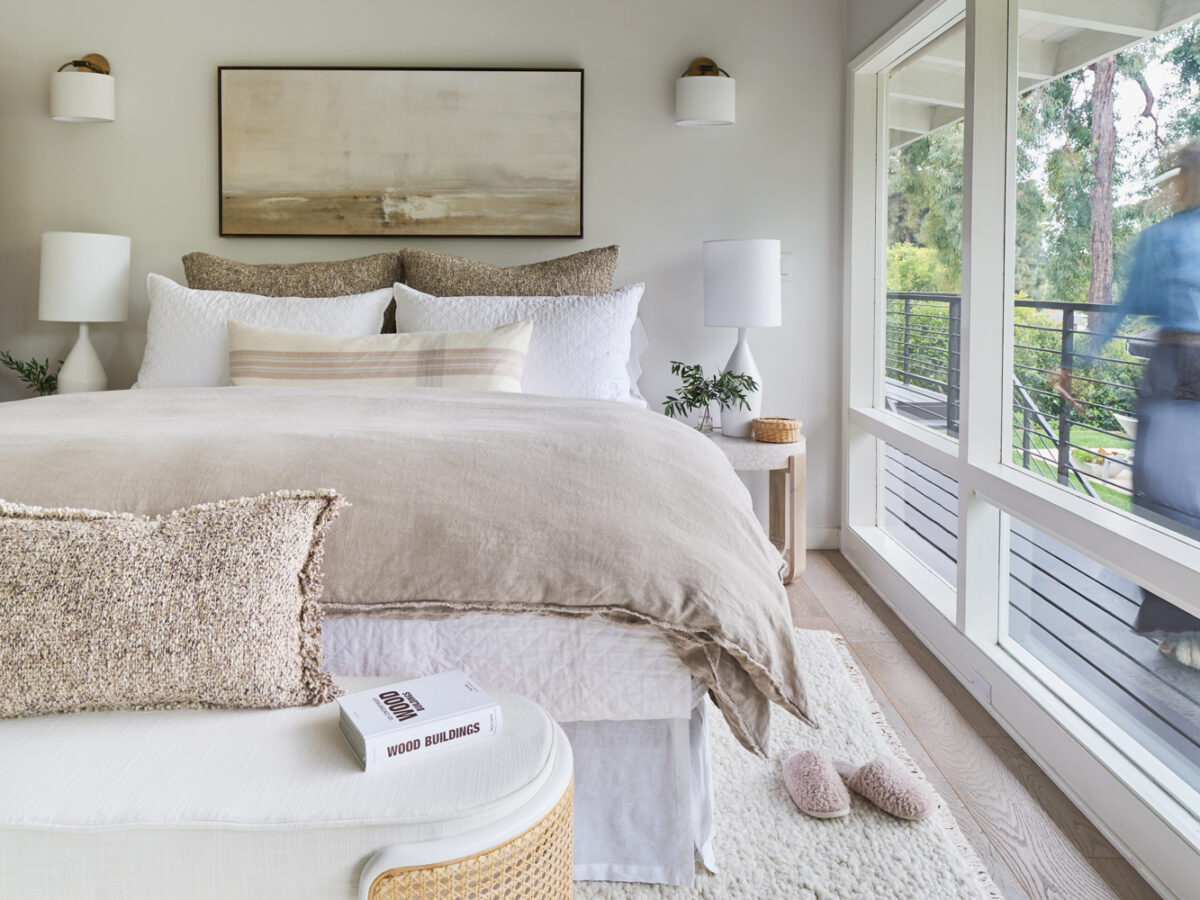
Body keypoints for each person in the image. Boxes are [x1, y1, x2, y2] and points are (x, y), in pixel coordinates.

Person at [1095, 141, 1200, 668]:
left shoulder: (1163, 238)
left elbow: (1126, 305)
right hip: (1180, 368)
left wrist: (1082, 355)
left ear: (1184, 178)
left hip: (1176, 361)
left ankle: (1178, 624)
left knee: (1161, 497)